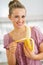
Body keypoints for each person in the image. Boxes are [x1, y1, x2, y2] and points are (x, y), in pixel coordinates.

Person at [4, 0, 43, 65]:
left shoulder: (34, 31)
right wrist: (12, 53)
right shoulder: (7, 38)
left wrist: (34, 57)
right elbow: (11, 64)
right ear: (10, 17)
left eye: (23, 16)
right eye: (16, 16)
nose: (20, 20)